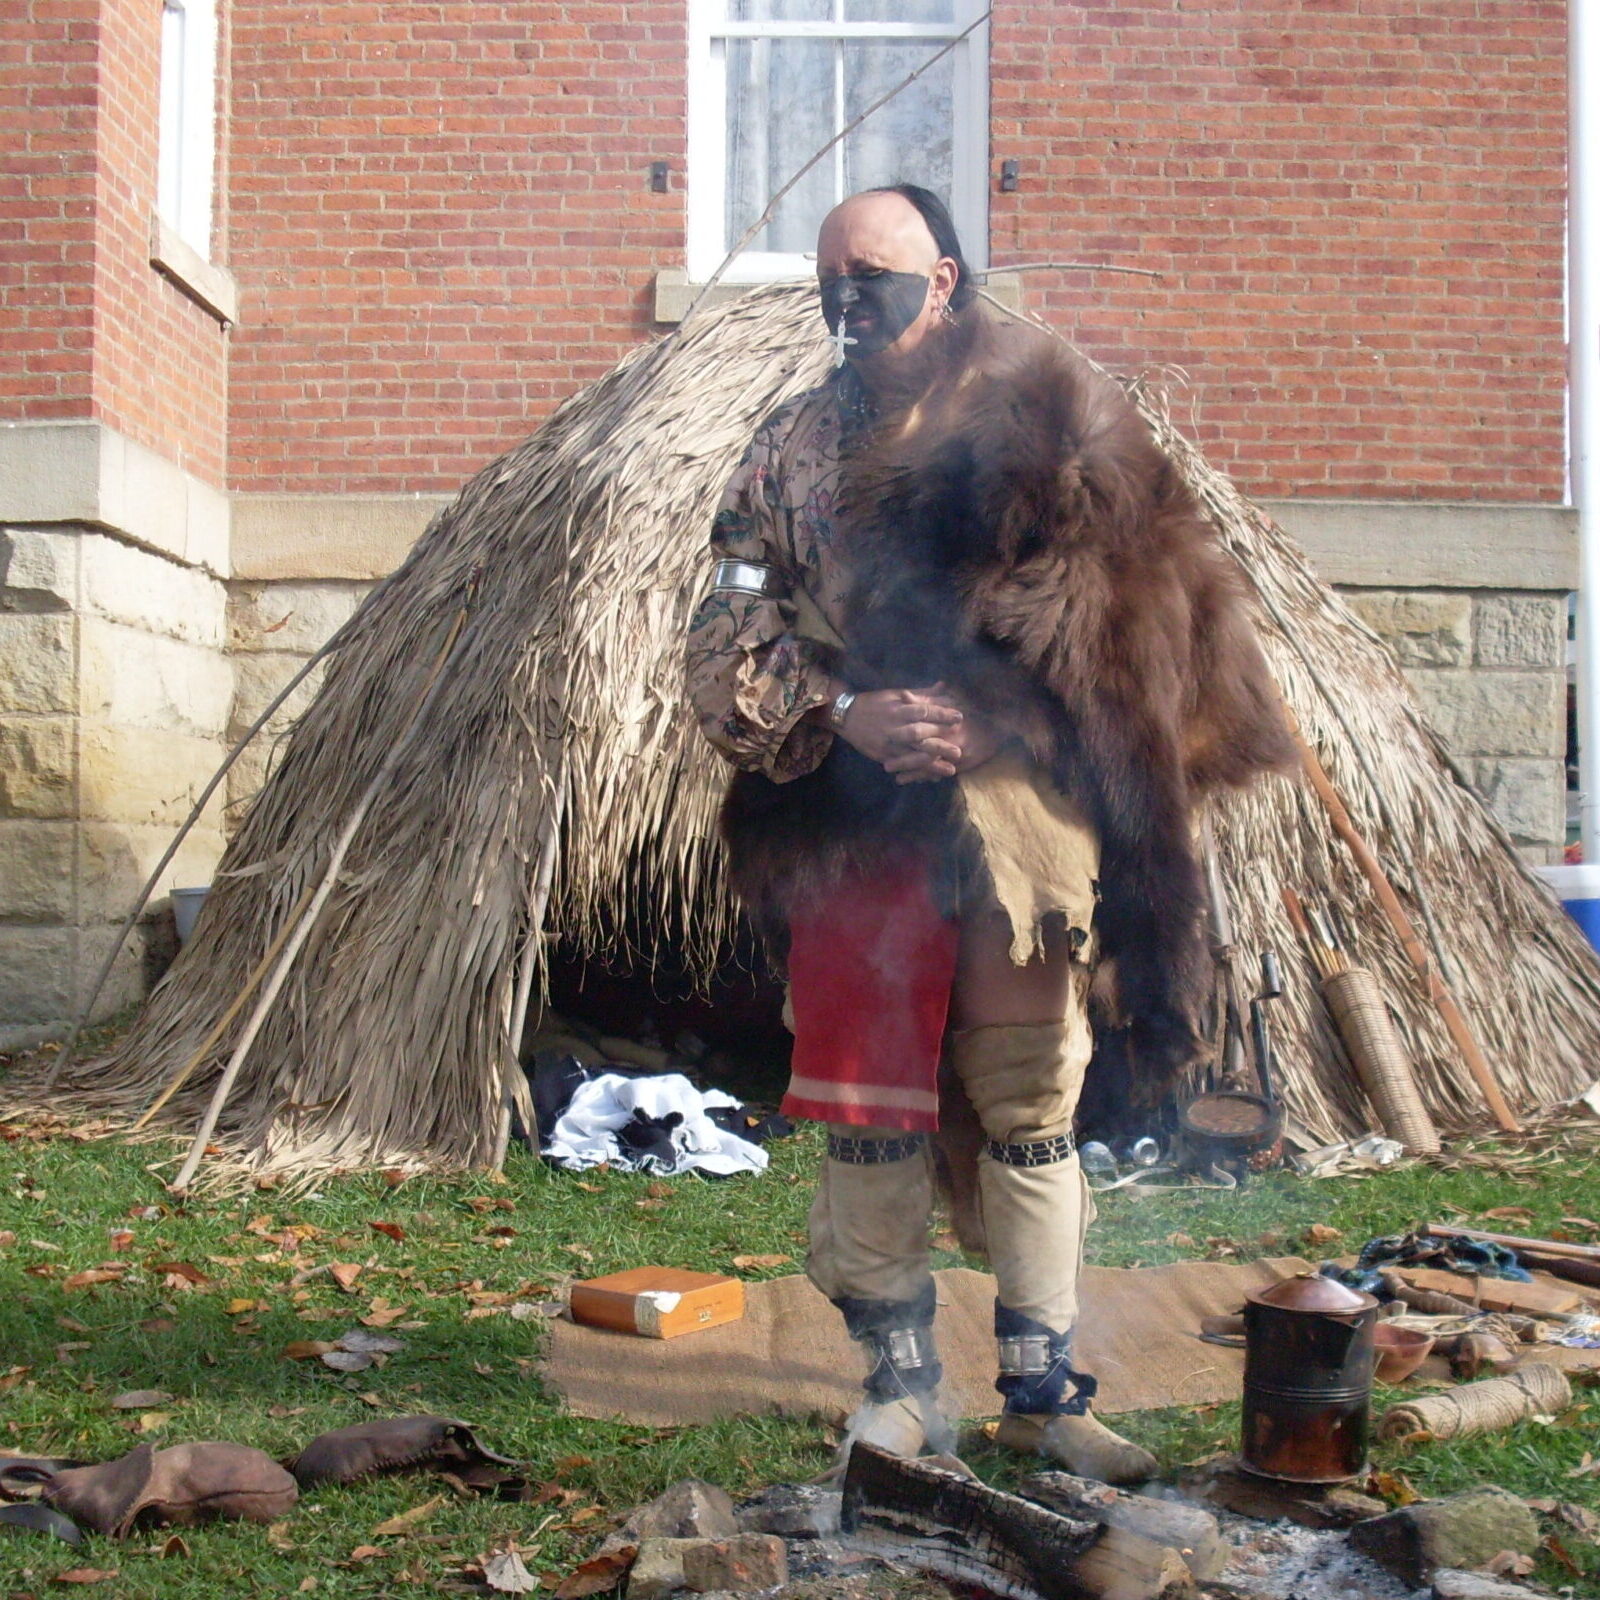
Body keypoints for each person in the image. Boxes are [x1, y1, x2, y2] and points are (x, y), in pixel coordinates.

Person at [684, 186, 1290, 1481]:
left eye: (880, 273)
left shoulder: (1056, 421)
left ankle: (1042, 1390)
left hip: (1018, 824)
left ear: (946, 280)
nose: (852, 296)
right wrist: (841, 712)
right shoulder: (785, 452)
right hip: (849, 825)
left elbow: (1142, 627)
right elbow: (723, 631)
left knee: (1030, 1097)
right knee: (869, 1108)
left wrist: (998, 715)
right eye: (832, 275)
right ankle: (900, 1389)